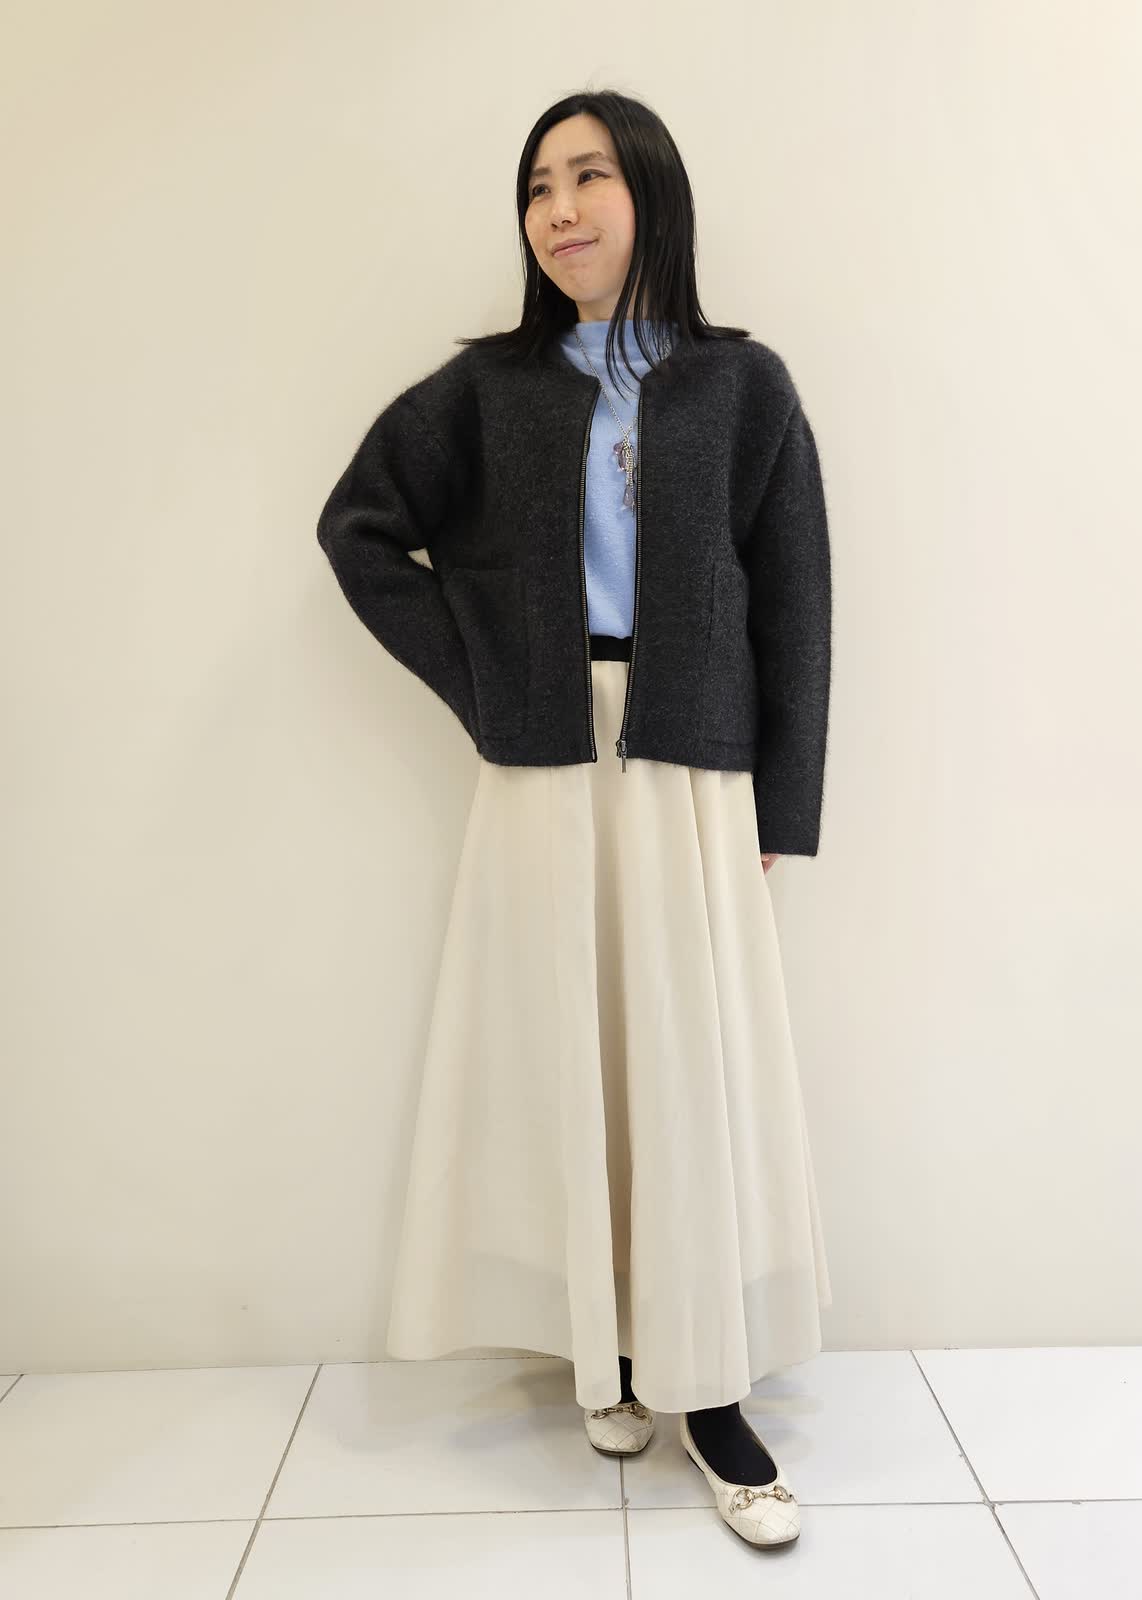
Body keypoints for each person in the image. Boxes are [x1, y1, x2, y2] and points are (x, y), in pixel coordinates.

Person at [316, 88, 833, 1549]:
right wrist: (483, 680)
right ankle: (602, 1348)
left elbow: (796, 597)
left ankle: (708, 1386)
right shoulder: (491, 389)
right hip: (545, 755)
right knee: (569, 1053)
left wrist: (783, 793)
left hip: (688, 760)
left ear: (650, 191)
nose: (559, 208)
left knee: (684, 1059)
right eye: (538, 186)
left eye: (588, 175)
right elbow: (359, 529)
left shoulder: (743, 385)